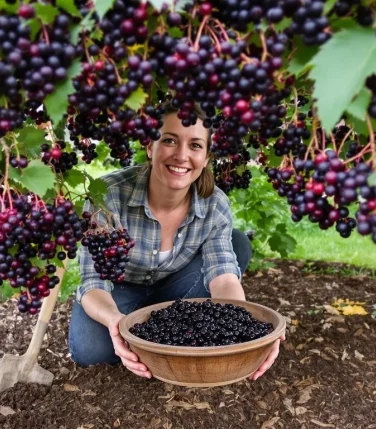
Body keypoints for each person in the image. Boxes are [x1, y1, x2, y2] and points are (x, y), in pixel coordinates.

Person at [68, 101, 283, 380]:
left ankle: (165, 322)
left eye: (195, 145)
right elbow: (92, 280)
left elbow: (223, 277)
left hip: (178, 284)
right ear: (150, 146)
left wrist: (247, 332)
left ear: (206, 157)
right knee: (91, 353)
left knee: (237, 243)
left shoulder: (214, 203)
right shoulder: (108, 196)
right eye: (169, 140)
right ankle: (147, 323)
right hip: (119, 291)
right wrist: (114, 322)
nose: (182, 155)